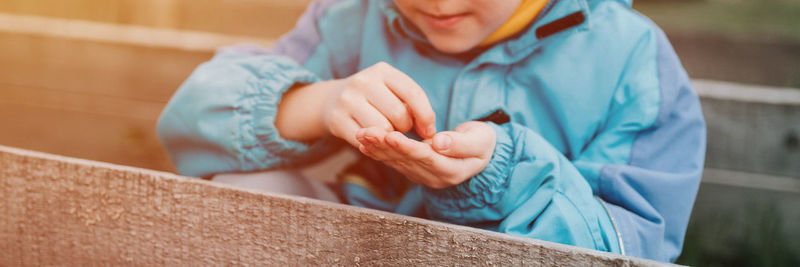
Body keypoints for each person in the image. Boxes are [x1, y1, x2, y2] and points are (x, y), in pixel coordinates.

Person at [157, 0, 705, 262]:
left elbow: (628, 246)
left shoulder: (630, 61)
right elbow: (194, 116)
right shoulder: (354, 17)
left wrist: (503, 174)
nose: (440, 3)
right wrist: (318, 102)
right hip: (365, 246)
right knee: (249, 197)